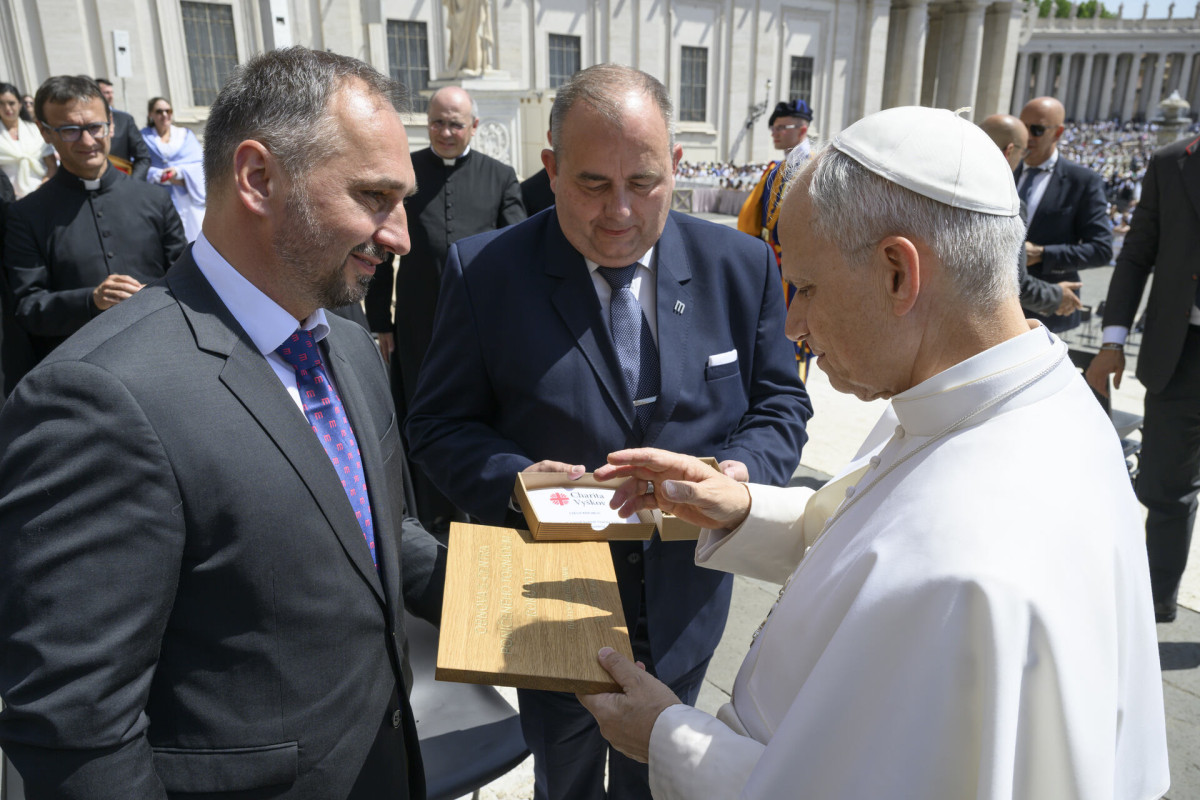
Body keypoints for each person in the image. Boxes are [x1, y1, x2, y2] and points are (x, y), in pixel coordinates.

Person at [581, 106, 1169, 799]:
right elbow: (873, 529)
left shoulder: (969, 560)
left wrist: (664, 736)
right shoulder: (1000, 396)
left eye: (806, 287)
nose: (794, 325)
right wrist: (740, 508)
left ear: (898, 273)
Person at [0, 47, 446, 798]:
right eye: (373, 197)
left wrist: (515, 596)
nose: (398, 234)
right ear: (258, 178)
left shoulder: (343, 339)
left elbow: (370, 527)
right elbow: (77, 729)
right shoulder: (97, 401)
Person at [406, 64, 811, 800]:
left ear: (678, 168)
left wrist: (739, 476)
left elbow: (781, 406)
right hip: (548, 601)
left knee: (656, 780)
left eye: (645, 183)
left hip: (687, 600)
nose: (620, 212)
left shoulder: (739, 264)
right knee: (563, 777)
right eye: (593, 185)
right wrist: (514, 480)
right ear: (552, 169)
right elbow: (436, 424)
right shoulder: (487, 271)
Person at [364, 84, 524, 532]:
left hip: (485, 332)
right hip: (418, 325)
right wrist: (382, 322)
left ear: (473, 126)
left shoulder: (500, 177)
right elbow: (381, 250)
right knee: (422, 416)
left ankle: (483, 514)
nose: (446, 131)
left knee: (481, 416)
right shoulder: (405, 172)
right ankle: (427, 517)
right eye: (438, 121)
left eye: (456, 123)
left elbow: (518, 256)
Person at [1086, 132, 1200, 624]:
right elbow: (1136, 255)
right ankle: (1155, 603)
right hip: (1181, 350)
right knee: (1165, 488)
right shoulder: (1171, 162)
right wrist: (1112, 342)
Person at [3, 76, 185, 373]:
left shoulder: (155, 199)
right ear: (45, 132)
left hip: (164, 359)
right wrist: (90, 300)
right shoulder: (27, 215)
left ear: (111, 124)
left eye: (94, 127)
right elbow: (26, 307)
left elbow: (187, 278)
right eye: (70, 131)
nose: (87, 141)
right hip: (79, 373)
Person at [1016, 96, 1112, 332]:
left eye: (1036, 130)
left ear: (1057, 133)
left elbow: (1101, 249)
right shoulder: (1004, 168)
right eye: (1022, 127)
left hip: (1048, 311)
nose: (1027, 136)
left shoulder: (1083, 181)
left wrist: (1042, 254)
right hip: (992, 306)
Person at [736, 98, 814, 380]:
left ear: (802, 129)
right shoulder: (778, 168)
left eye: (782, 127)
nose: (775, 132)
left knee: (797, 337)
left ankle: (795, 390)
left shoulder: (814, 168)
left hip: (797, 269)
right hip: (774, 264)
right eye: (774, 128)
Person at [978, 113, 1083, 318]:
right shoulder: (1008, 204)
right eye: (1022, 151)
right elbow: (1012, 282)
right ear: (1009, 151)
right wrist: (1056, 295)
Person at [141, 96, 206, 241]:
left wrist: (178, 172)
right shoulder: (143, 137)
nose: (164, 115)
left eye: (168, 110)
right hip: (158, 198)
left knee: (193, 237)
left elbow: (199, 164)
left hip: (186, 198)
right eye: (159, 111)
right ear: (150, 115)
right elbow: (138, 165)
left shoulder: (185, 135)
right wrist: (159, 175)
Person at [0, 81, 55, 198]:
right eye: (1, 103)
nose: (7, 108)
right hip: (9, 200)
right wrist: (12, 196)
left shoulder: (36, 130)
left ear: (20, 104)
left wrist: (40, 189)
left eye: (11, 103)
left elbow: (52, 166)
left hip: (44, 193)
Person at [95, 76, 150, 181]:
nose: (111, 96)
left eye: (112, 93)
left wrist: (132, 183)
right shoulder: (83, 121)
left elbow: (143, 158)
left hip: (122, 181)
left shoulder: (125, 120)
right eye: (106, 93)